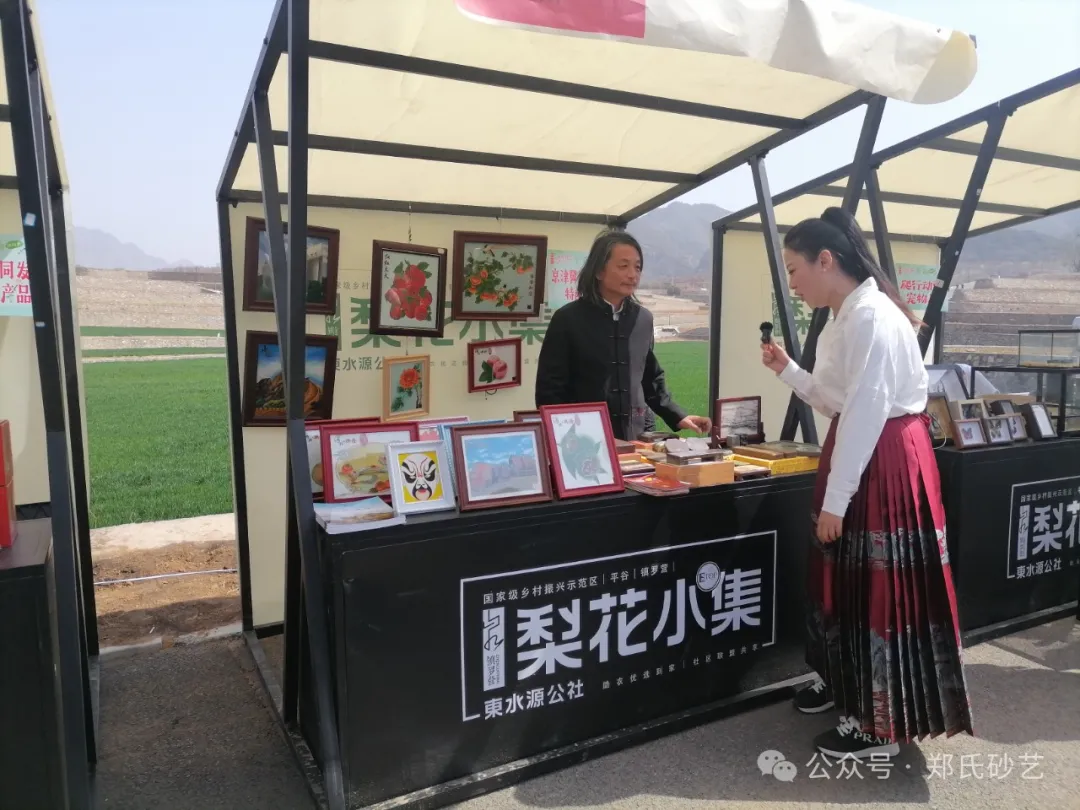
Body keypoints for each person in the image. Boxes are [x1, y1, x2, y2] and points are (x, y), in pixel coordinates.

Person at [761, 207, 973, 760]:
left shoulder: (871, 317)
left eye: (793, 269)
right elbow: (838, 401)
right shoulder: (846, 316)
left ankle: (878, 724)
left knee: (879, 588)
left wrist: (837, 499)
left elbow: (866, 411)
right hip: (863, 449)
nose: (793, 283)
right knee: (844, 577)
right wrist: (788, 370)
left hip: (885, 455)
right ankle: (845, 685)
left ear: (825, 260)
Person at [536, 230, 711, 441]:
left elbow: (650, 378)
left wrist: (678, 416)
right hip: (585, 440)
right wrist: (567, 438)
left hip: (636, 437)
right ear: (599, 271)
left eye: (637, 267)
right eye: (623, 266)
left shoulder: (643, 319)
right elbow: (550, 390)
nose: (632, 275)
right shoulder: (567, 319)